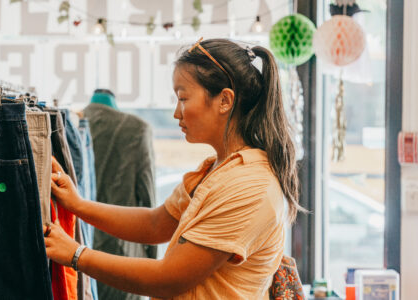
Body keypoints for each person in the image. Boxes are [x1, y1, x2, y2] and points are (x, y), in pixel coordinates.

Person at [44, 38, 304, 299]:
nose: (176, 113)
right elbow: (156, 223)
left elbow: (168, 279)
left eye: (183, 98)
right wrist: (77, 205)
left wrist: (76, 254)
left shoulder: (249, 186)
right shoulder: (214, 170)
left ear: (225, 100)